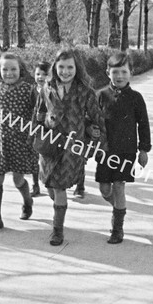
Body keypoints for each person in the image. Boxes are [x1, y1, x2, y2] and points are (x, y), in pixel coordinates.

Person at [35, 48, 107, 246]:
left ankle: (57, 231)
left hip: (72, 149)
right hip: (49, 146)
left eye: (70, 67)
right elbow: (38, 115)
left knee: (59, 188)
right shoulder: (46, 89)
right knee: (49, 186)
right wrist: (45, 123)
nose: (65, 71)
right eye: (61, 67)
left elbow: (98, 119)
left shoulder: (85, 92)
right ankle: (59, 211)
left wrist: (96, 145)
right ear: (55, 68)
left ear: (77, 68)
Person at [96, 52, 151, 244]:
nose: (119, 76)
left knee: (119, 185)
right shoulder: (100, 95)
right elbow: (91, 121)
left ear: (131, 73)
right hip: (104, 151)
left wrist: (143, 150)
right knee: (104, 189)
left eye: (124, 72)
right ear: (107, 72)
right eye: (115, 72)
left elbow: (143, 125)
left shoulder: (136, 98)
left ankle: (117, 228)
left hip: (126, 150)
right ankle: (119, 209)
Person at [0, 52, 39, 231]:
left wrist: (35, 136)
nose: (9, 73)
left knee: (17, 180)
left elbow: (38, 115)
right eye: (5, 69)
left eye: (13, 69)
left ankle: (27, 201)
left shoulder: (29, 90)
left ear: (20, 70)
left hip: (21, 142)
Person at [30, 61, 51, 197]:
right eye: (38, 74)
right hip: (34, 126)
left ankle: (79, 184)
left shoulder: (53, 90)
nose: (41, 77)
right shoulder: (31, 90)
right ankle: (35, 185)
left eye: (45, 74)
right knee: (33, 156)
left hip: (49, 128)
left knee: (48, 156)